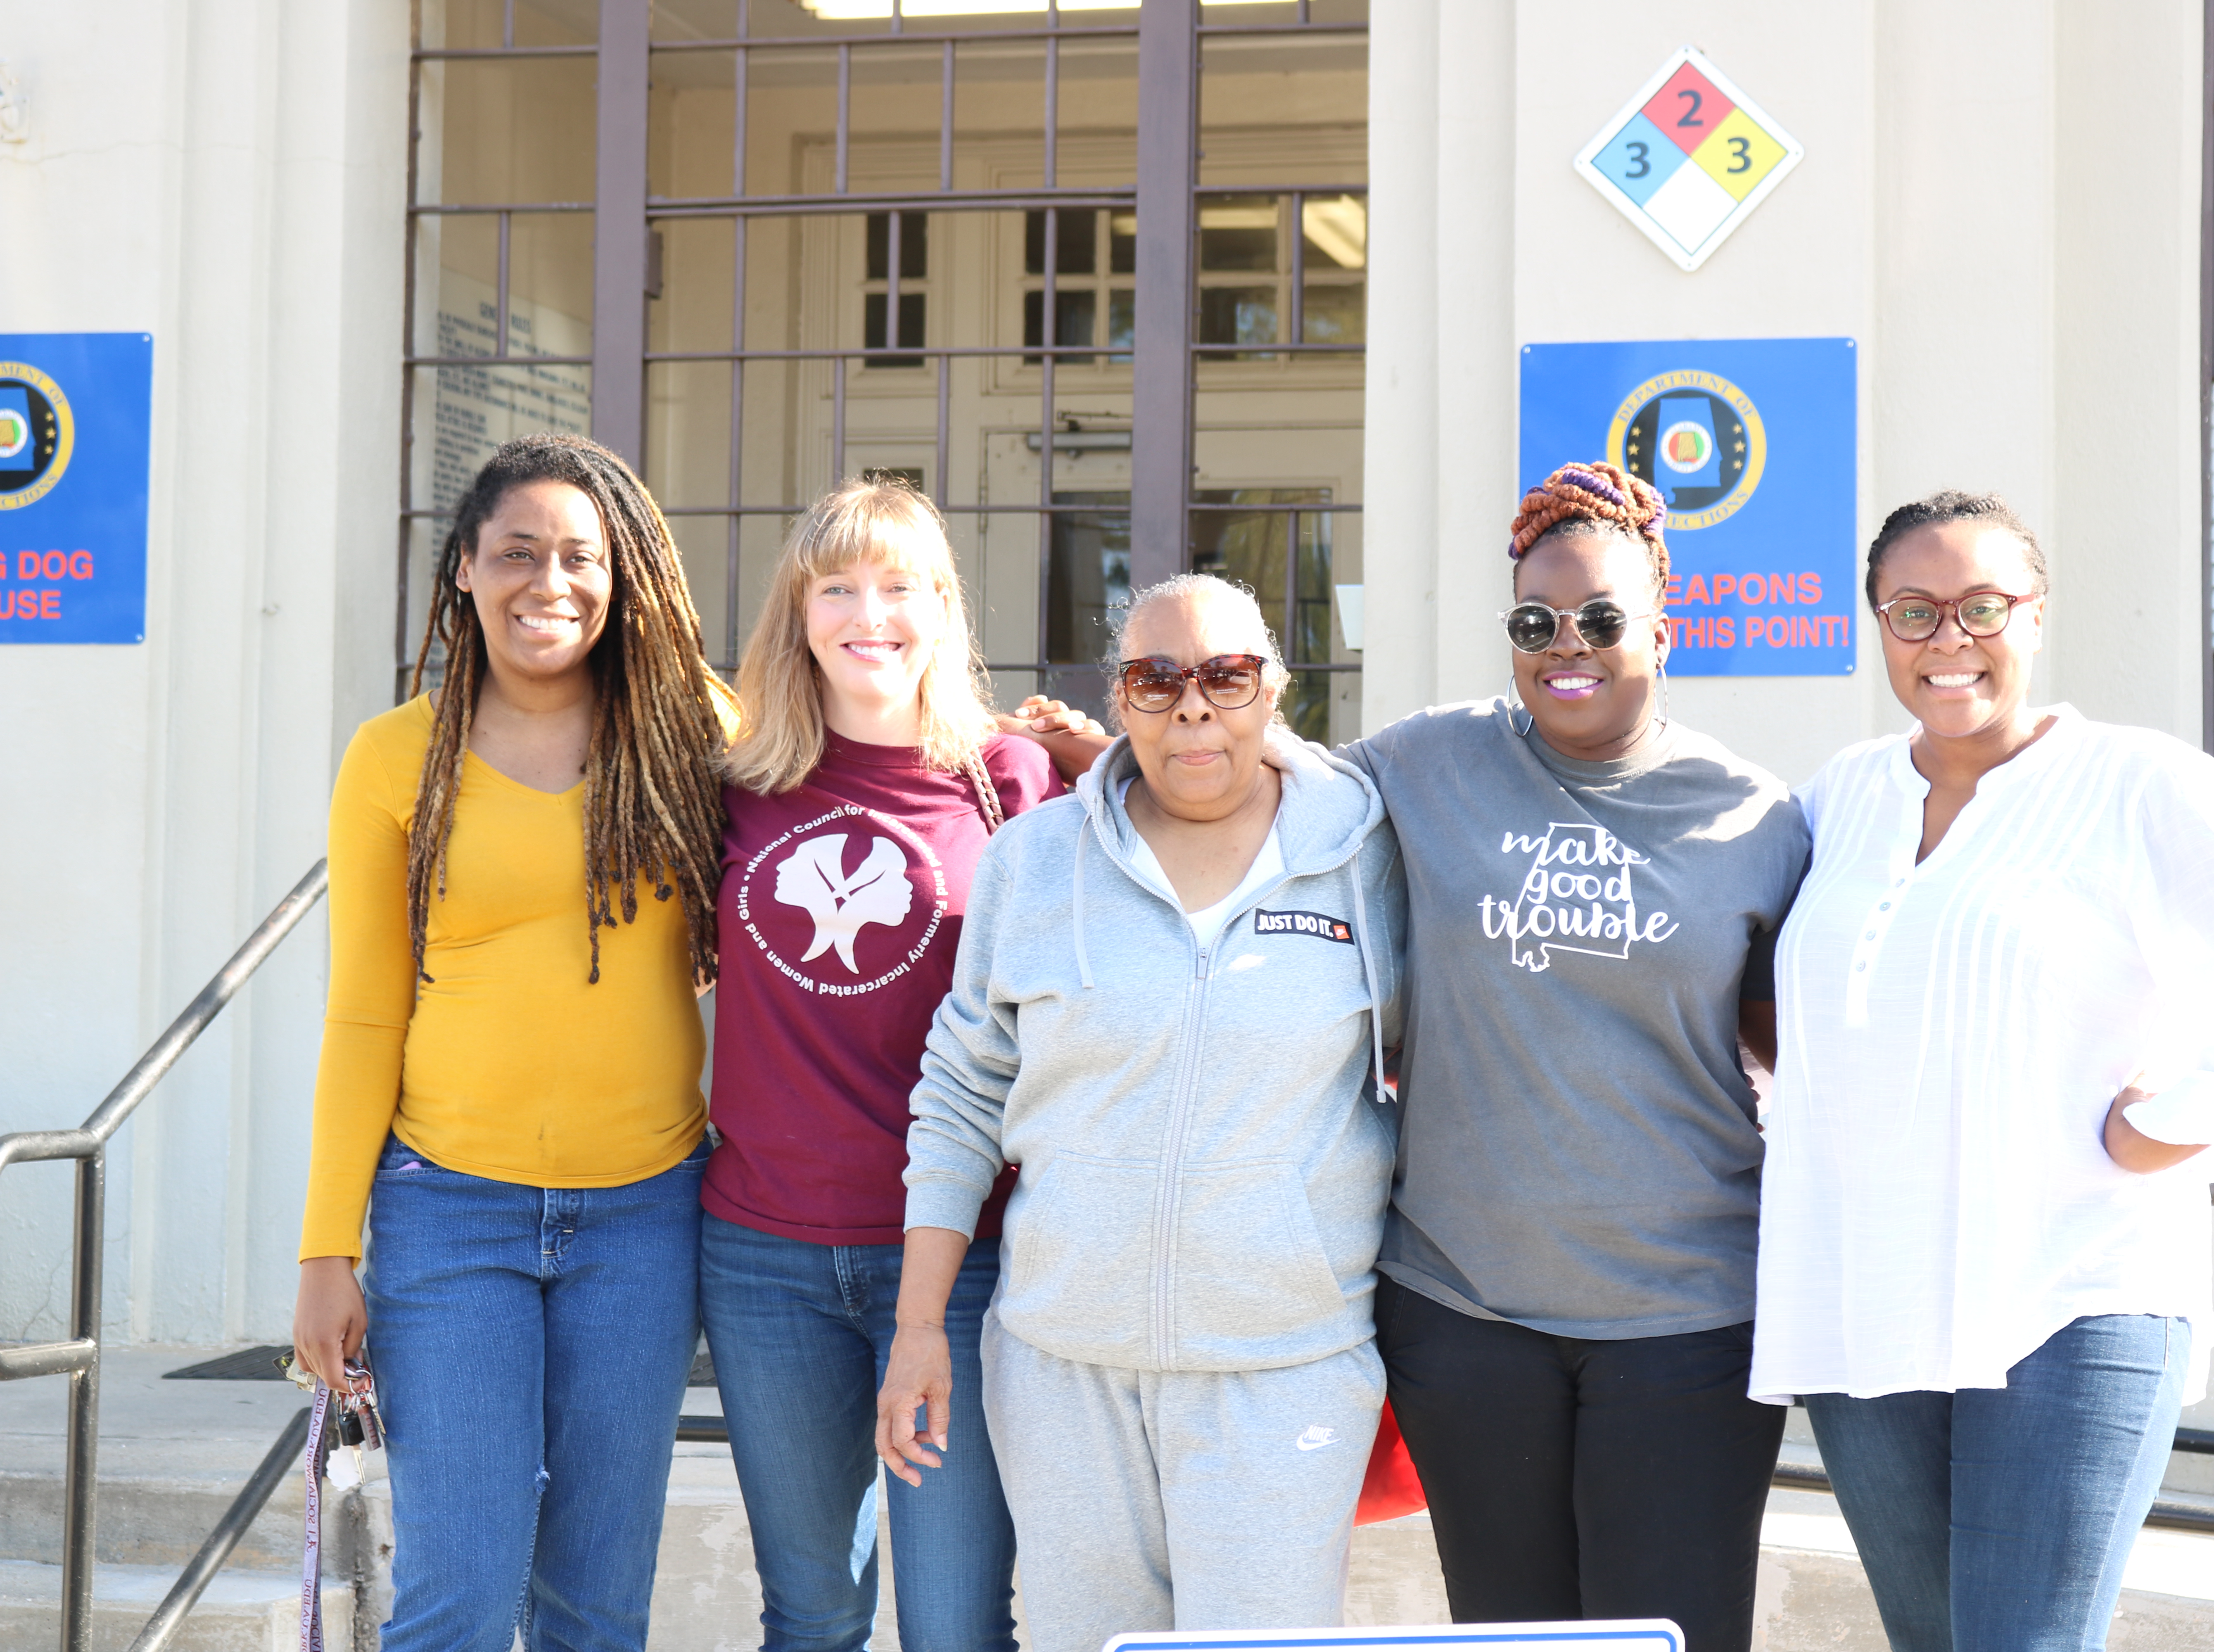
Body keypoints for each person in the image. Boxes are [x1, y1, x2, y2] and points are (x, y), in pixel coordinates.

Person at [1752, 490, 2214, 1652]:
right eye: (1915, 610)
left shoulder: (2139, 783)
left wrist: (2194, 1120)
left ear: (2034, 617)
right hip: (1869, 1303)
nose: (1951, 639)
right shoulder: (1840, 796)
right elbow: (1770, 987)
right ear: (1878, 626)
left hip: (2072, 1296)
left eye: (1983, 605)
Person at [1327, 462, 1811, 1651]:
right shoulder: (1420, 765)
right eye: (1535, 625)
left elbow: (1798, 1045)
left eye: (1601, 620)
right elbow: (1243, 805)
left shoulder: (1756, 817)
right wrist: (1096, 758)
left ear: (1664, 625)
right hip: (1465, 1312)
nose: (1566, 648)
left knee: (1673, 1640)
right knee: (1514, 1642)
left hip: (1689, 1322)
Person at [876, 572, 1405, 1652]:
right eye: (1157, 681)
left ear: (1277, 692)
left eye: (1227, 676)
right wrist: (920, 1325)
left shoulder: (1371, 860)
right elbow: (963, 1096)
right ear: (1119, 702)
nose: (1195, 708)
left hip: (1285, 1373)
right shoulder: (1034, 863)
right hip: (1066, 1373)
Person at [290, 433, 733, 1652]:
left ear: (626, 575)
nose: (553, 582)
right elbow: (365, 1009)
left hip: (647, 1217)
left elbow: (854, 786)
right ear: (468, 574)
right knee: (461, 1595)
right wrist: (328, 1246)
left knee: (598, 1602)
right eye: (519, 554)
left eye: (582, 557)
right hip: (451, 1212)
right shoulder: (395, 757)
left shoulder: (698, 735)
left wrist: (1038, 756)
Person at [699, 479, 1088, 1652]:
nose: (871, 614)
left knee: (959, 1628)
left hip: (961, 1258)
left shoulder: (1014, 780)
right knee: (812, 1617)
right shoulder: (735, 785)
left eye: (900, 586)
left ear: (943, 607)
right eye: (839, 587)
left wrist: (1107, 745)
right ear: (799, 613)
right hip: (765, 1253)